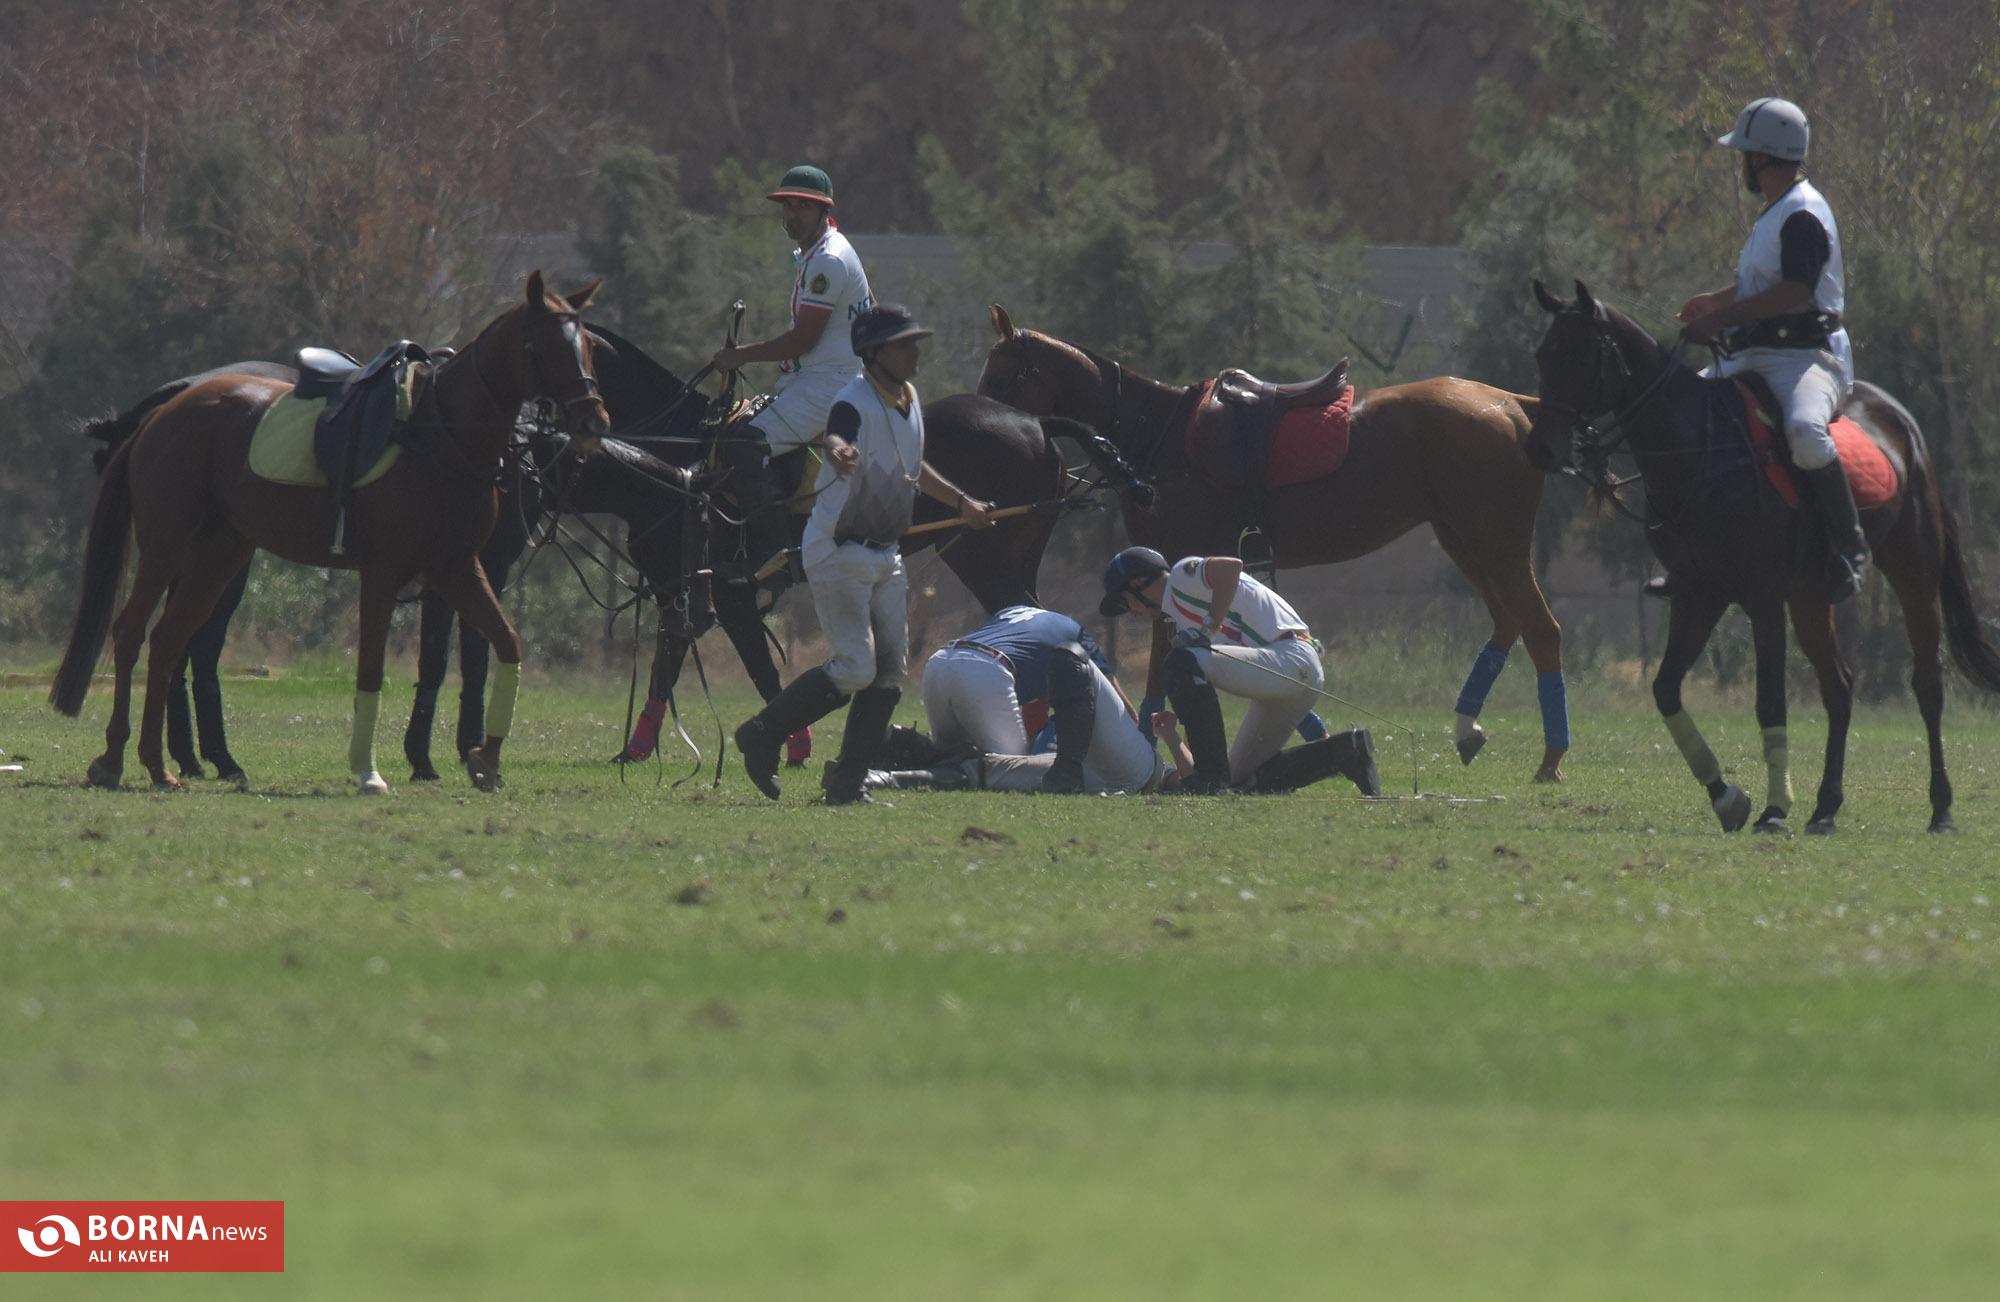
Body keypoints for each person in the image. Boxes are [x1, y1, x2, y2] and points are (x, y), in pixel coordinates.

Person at [732, 304, 994, 805]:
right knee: (855, 668)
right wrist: (839, 452)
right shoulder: (853, 399)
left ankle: (847, 786)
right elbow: (838, 435)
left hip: (885, 554)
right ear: (874, 353)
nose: (915, 352)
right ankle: (761, 734)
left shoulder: (909, 398)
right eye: (904, 344)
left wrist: (962, 503)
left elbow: (916, 467)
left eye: (915, 342)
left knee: (889, 672)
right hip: (838, 549)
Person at [1677, 96, 1867, 602]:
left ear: (1761, 157)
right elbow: (1760, 286)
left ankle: (1851, 549)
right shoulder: (1775, 213)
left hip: (1808, 357)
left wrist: (1719, 318)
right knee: (1682, 412)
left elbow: (1796, 292)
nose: (1743, 165)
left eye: (1744, 155)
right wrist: (1713, 301)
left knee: (1805, 433)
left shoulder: (1803, 213)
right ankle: (1690, 557)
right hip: (1758, 352)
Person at [710, 164, 874, 588]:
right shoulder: (820, 252)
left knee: (743, 444)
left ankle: (775, 553)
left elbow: (803, 339)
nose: (792, 215)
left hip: (831, 386)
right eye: (787, 206)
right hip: (819, 379)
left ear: (824, 211)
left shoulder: (828, 263)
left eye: (803, 206)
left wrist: (740, 356)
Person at [1099, 546, 1378, 796]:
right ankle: (1346, 751)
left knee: (1180, 661)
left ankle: (1210, 780)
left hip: (1293, 657)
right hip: (1290, 674)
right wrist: (1175, 742)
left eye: (1125, 603)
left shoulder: (1182, 576)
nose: (1130, 612)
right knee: (1239, 780)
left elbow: (1231, 566)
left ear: (1138, 583)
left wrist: (1208, 629)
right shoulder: (1181, 620)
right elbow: (1200, 703)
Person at [892, 604, 1167, 794]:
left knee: (946, 753)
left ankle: (894, 745)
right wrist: (1138, 729)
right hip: (986, 669)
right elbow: (1106, 688)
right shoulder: (1073, 630)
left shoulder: (1010, 613)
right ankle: (899, 772)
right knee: (1011, 770)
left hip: (940, 660)